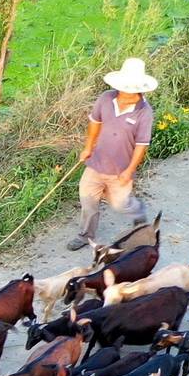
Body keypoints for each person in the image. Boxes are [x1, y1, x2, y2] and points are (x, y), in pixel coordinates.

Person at [70, 57, 157, 251]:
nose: (124, 91)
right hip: (97, 162)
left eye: (129, 87)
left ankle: (137, 211)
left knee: (119, 204)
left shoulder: (144, 112)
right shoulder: (106, 99)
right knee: (88, 200)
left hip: (120, 169)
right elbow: (95, 123)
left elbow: (141, 145)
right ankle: (85, 235)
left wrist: (130, 170)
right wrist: (88, 147)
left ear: (138, 89)